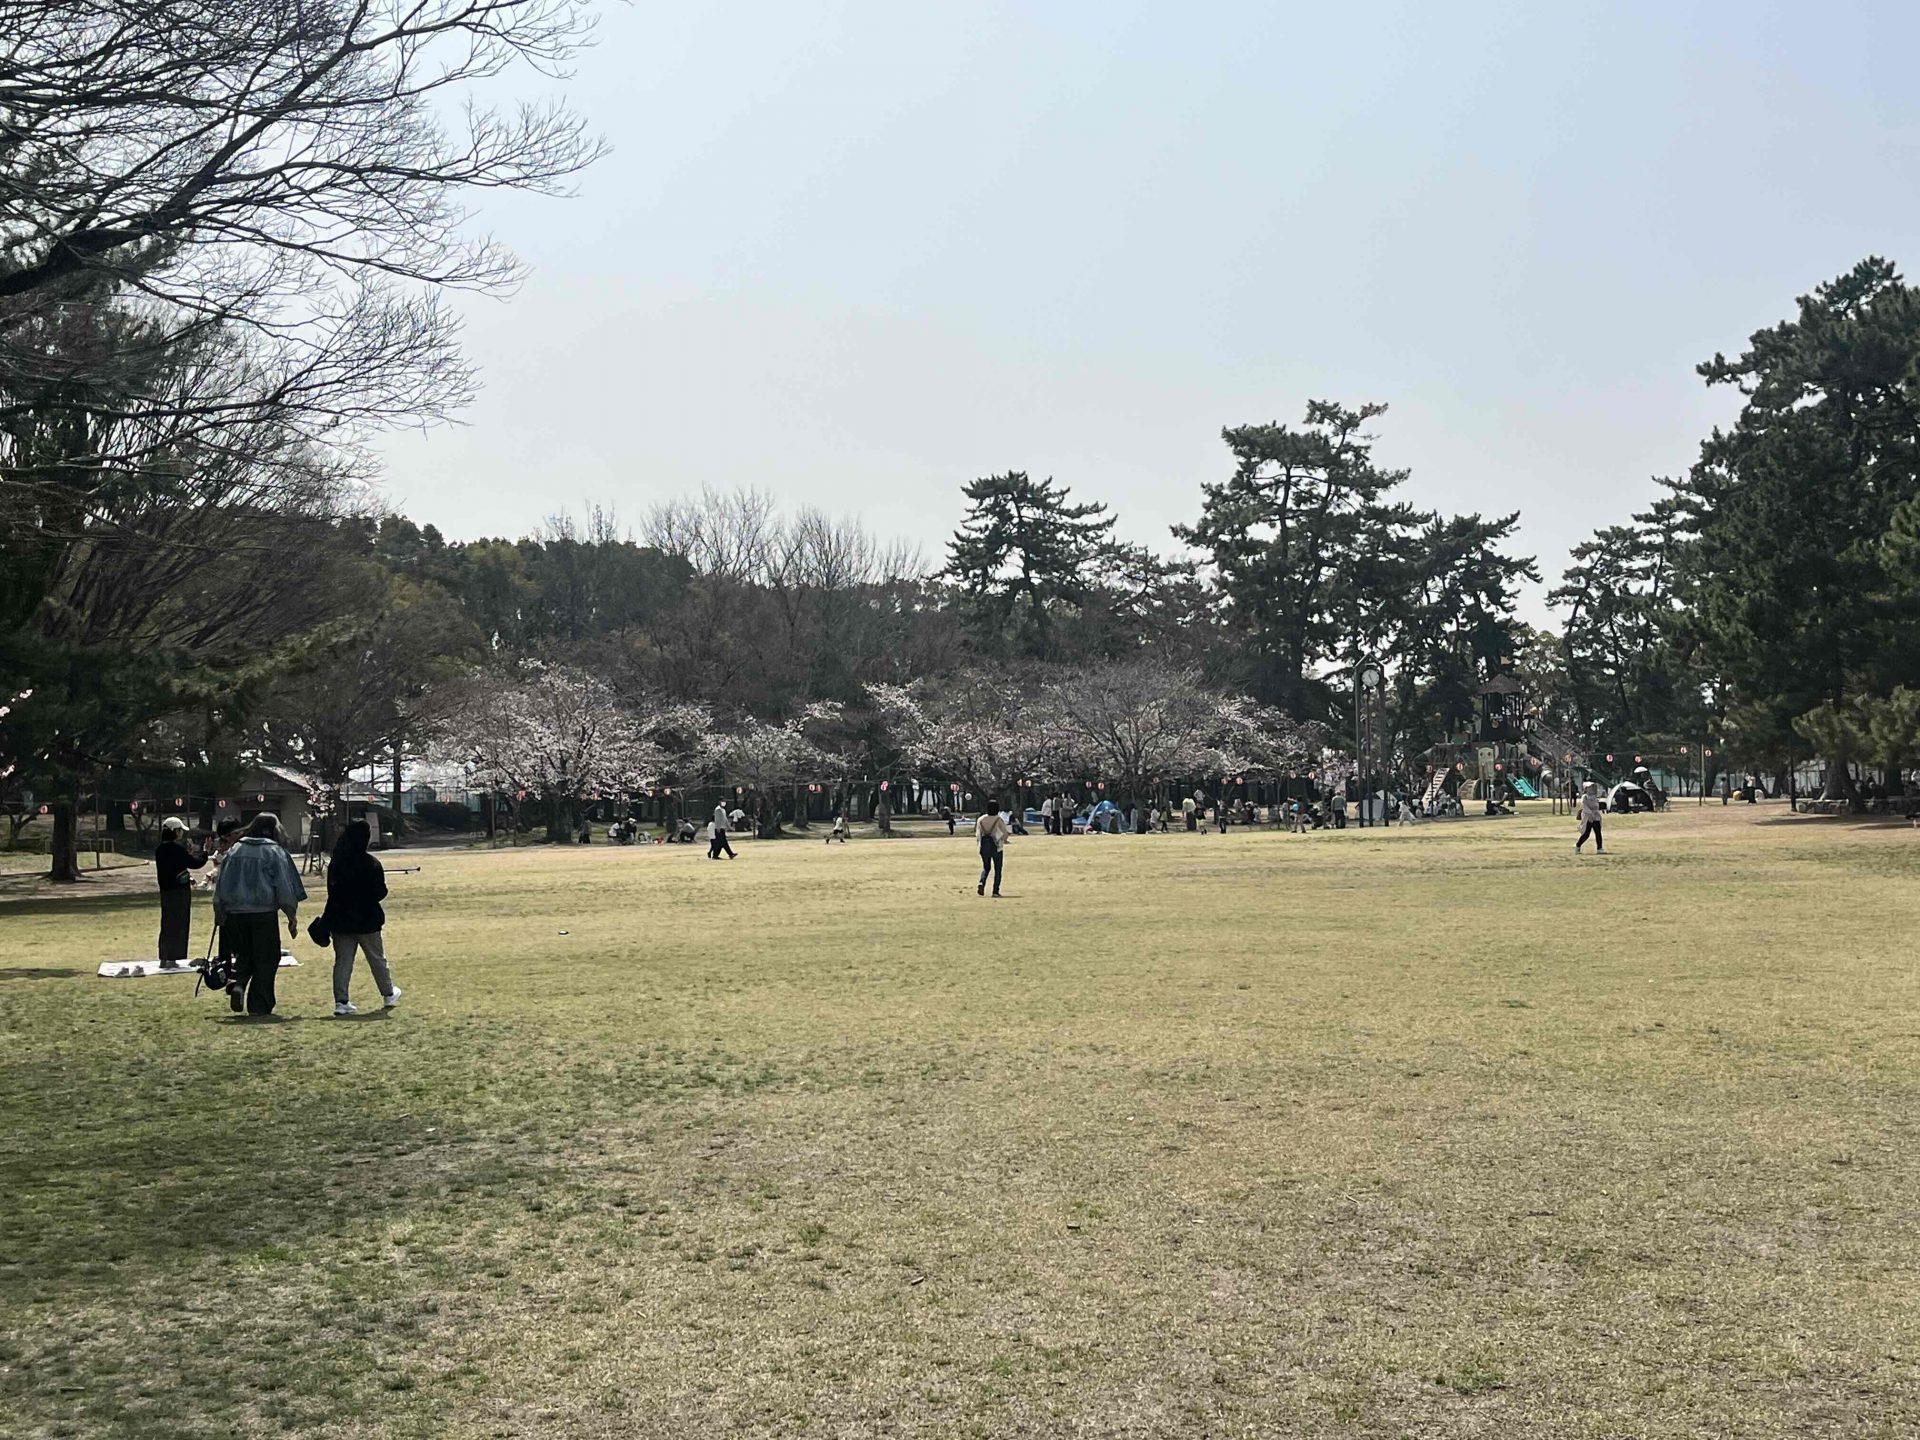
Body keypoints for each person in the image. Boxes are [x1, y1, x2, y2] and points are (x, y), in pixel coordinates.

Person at [213, 813, 305, 1016]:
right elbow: (284, 887)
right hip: (263, 913)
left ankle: (239, 983)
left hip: (235, 914)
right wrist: (291, 914)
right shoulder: (273, 851)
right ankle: (259, 1005)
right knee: (267, 958)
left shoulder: (234, 850)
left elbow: (221, 884)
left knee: (245, 954)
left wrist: (219, 911)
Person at [323, 818, 401, 1016]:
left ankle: (341, 1001)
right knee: (376, 958)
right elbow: (380, 892)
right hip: (367, 919)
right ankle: (388, 993)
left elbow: (332, 892)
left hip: (340, 920)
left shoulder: (337, 862)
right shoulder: (371, 863)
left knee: (343, 961)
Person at [153, 817, 207, 969]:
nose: (181, 833)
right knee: (179, 924)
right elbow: (195, 863)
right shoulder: (177, 849)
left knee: (167, 923)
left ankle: (164, 957)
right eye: (180, 830)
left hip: (166, 892)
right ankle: (173, 957)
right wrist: (205, 852)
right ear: (175, 831)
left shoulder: (160, 849)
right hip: (179, 892)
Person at [975, 800, 1010, 896]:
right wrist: (1003, 840)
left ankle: (982, 882)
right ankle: (995, 891)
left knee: (986, 867)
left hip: (983, 847)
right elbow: (1005, 833)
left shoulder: (981, 819)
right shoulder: (998, 819)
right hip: (996, 846)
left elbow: (978, 834)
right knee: (998, 869)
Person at [1575, 782, 1606, 855]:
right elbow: (1584, 806)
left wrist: (1595, 813)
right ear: (1586, 789)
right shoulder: (1584, 797)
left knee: (1598, 832)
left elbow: (1596, 806)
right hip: (1587, 817)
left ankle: (1599, 848)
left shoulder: (1594, 797)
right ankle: (1577, 845)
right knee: (1586, 834)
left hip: (1596, 816)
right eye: (1590, 788)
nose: (1591, 789)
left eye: (1592, 787)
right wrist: (1590, 814)